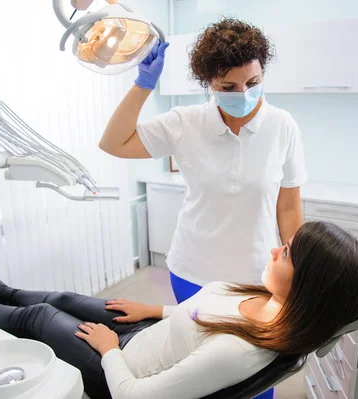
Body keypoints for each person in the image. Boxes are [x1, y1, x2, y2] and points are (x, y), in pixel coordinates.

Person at [0, 221, 358, 399]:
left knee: (40, 319)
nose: (273, 250)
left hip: (121, 371)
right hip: (141, 338)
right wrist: (152, 309)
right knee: (63, 301)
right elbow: (197, 314)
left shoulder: (242, 351)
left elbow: (137, 397)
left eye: (284, 253)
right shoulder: (264, 301)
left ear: (309, 286)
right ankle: (3, 290)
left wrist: (108, 351)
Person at [99, 18, 308, 305]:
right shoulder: (185, 123)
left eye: (253, 82)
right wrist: (143, 85)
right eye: (229, 86)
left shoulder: (282, 126)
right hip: (192, 272)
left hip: (258, 277)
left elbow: (288, 207)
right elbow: (113, 143)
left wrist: (297, 270)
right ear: (209, 83)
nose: (243, 93)